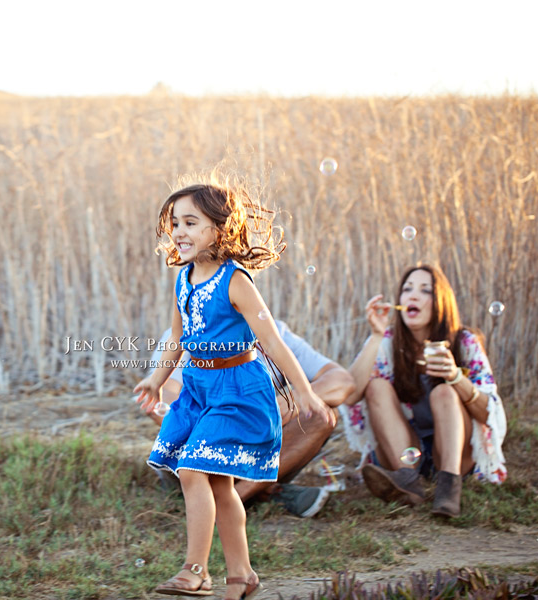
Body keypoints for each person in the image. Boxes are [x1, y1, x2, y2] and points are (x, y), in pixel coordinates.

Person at [134, 176, 334, 599]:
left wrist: (304, 390)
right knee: (219, 483)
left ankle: (196, 571)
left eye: (191, 222)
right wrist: (155, 379)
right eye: (175, 223)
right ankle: (242, 574)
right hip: (199, 388)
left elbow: (272, 341)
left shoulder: (235, 281)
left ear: (219, 230)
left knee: (191, 470)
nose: (179, 232)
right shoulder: (183, 279)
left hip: (238, 389)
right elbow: (176, 339)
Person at [340, 263, 507, 518]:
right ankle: (408, 483)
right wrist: (376, 335)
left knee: (445, 392)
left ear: (440, 301)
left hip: (455, 454)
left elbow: (489, 414)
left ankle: (449, 487)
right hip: (405, 451)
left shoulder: (464, 342)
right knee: (376, 386)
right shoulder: (389, 342)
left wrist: (454, 377)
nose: (412, 296)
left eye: (424, 290)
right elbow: (350, 395)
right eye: (407, 289)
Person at [143, 322, 355, 518]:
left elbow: (341, 381)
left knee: (322, 414)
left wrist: (292, 401)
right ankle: (269, 491)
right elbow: (163, 402)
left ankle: (235, 498)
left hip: (260, 451)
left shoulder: (276, 334)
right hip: (203, 451)